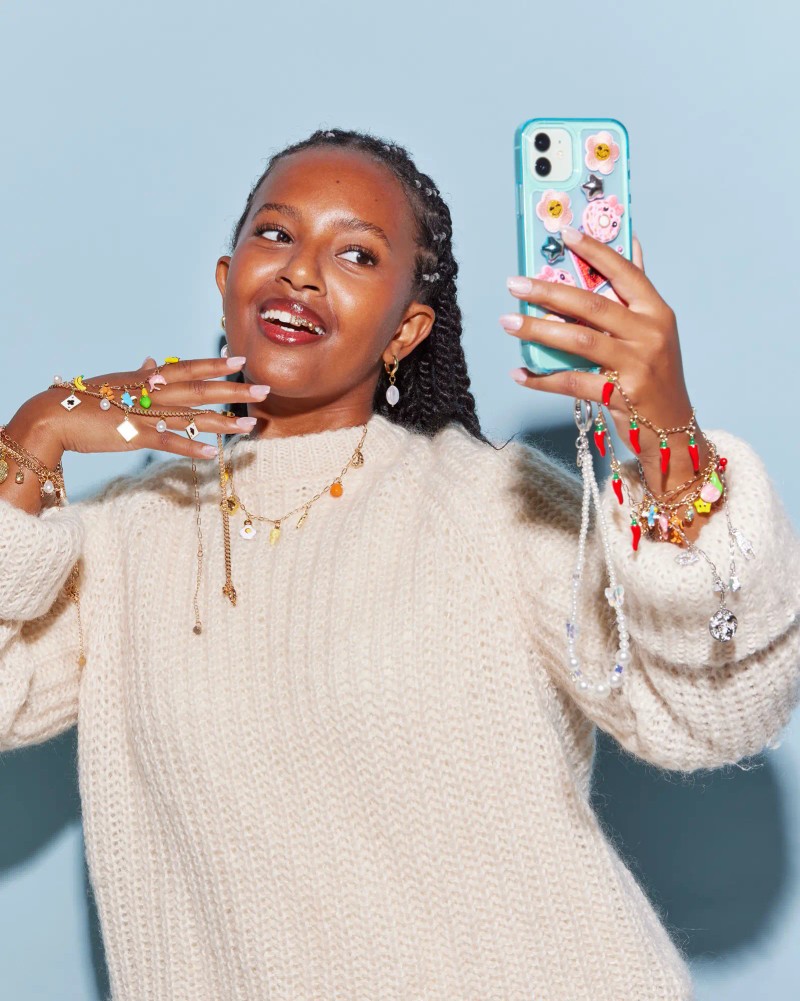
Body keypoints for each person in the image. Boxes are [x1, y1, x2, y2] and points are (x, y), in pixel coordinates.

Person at [0, 127, 798, 1001]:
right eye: (275, 233)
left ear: (406, 329)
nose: (302, 271)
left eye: (356, 253)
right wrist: (36, 432)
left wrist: (668, 434)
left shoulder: (486, 504)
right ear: (228, 279)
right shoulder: (131, 537)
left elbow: (712, 711)